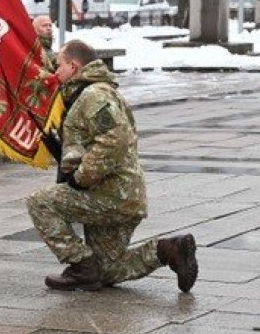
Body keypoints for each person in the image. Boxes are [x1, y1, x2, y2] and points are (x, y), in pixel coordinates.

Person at [27, 40, 198, 292]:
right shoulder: (92, 92)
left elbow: (116, 138)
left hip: (109, 194)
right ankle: (168, 250)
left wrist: (80, 177)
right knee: (107, 269)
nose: (55, 72)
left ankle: (80, 266)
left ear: (73, 66)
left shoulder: (93, 94)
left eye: (59, 65)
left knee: (39, 202)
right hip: (121, 195)